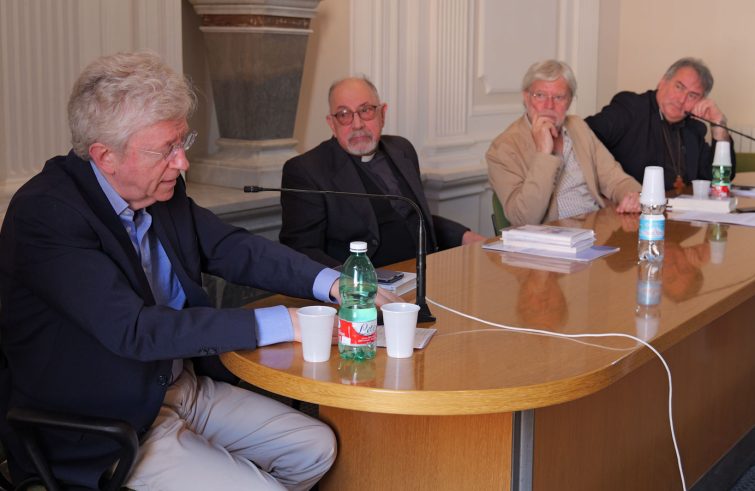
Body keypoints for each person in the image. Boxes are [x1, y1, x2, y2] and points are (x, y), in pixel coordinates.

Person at [0, 51, 399, 490]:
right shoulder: (46, 213)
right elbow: (135, 329)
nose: (182, 162)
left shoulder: (159, 188)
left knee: (318, 448)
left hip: (178, 387)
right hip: (104, 420)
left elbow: (232, 247)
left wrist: (333, 283)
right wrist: (285, 322)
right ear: (105, 156)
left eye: (182, 142)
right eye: (166, 149)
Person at [279, 76, 485, 268]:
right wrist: (355, 283)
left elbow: (411, 215)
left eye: (366, 110)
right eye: (344, 115)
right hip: (366, 287)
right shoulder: (307, 170)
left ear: (382, 114)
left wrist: (463, 236)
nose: (357, 124)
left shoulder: (402, 149)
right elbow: (302, 250)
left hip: (429, 271)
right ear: (332, 124)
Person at [486, 60, 641, 227]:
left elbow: (615, 179)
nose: (549, 105)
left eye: (559, 97)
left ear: (569, 101)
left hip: (594, 230)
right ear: (526, 97)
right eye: (540, 95)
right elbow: (524, 219)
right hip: (550, 237)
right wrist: (544, 154)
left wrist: (633, 196)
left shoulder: (578, 127)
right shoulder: (503, 148)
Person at [585, 57, 735, 192]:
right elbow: (582, 137)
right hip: (633, 208)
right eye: (679, 87)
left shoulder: (693, 129)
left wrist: (719, 126)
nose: (681, 100)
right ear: (663, 82)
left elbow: (720, 179)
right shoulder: (630, 108)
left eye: (692, 96)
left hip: (681, 211)